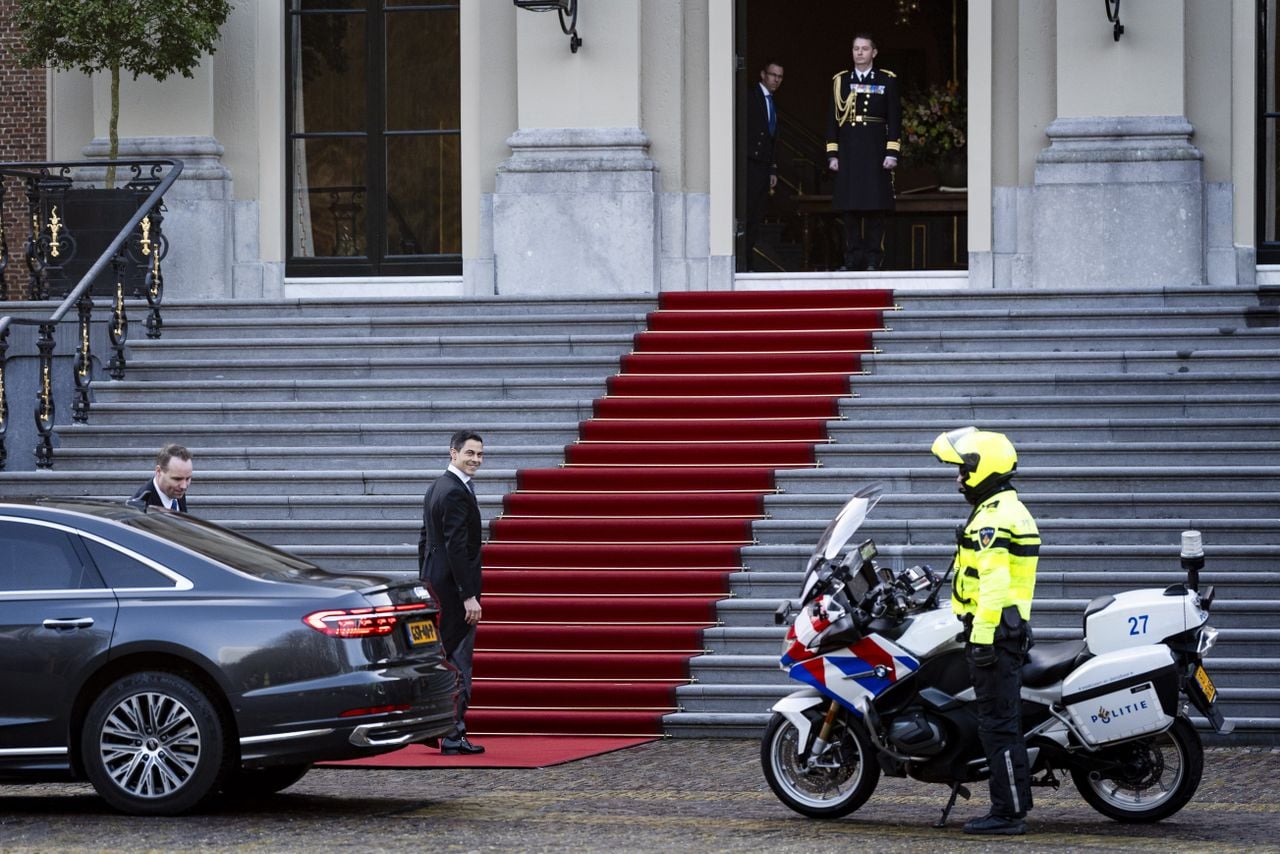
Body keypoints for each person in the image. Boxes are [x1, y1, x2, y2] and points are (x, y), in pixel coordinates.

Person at [931, 427, 1039, 836]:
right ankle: (1011, 806)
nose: (958, 478)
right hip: (1003, 630)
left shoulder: (993, 520)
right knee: (1000, 722)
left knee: (997, 725)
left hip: (993, 633)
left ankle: (1008, 813)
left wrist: (980, 640)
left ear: (982, 469)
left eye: (962, 470)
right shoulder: (1001, 509)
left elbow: (993, 587)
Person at [418, 429, 486, 756]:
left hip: (436, 585)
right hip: (454, 593)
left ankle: (440, 730)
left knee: (443, 657)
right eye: (470, 453)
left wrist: (424, 580)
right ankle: (454, 735)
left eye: (480, 455)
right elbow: (457, 548)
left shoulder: (436, 487)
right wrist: (468, 595)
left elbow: (424, 541)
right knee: (458, 661)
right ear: (453, 453)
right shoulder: (456, 492)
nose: (476, 460)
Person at [826, 33, 900, 271]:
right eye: (856, 48)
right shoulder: (841, 81)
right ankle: (851, 258)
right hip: (849, 153)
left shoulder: (886, 80)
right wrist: (832, 154)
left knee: (875, 208)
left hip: (875, 152)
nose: (859, 52)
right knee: (850, 210)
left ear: (874, 53)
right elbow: (832, 121)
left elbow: (895, 119)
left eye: (864, 48)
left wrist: (892, 152)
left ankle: (872, 259)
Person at [744, 59, 784, 272]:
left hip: (763, 167)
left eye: (779, 76)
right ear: (763, 74)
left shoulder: (772, 102)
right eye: (772, 75)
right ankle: (744, 263)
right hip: (750, 164)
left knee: (757, 215)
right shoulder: (751, 96)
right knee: (748, 213)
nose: (776, 80)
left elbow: (772, 140)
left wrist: (773, 169)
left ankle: (749, 262)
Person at [130, 443, 193, 512]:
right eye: (177, 479)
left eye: (188, 478)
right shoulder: (139, 508)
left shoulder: (176, 491)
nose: (184, 486)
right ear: (159, 471)